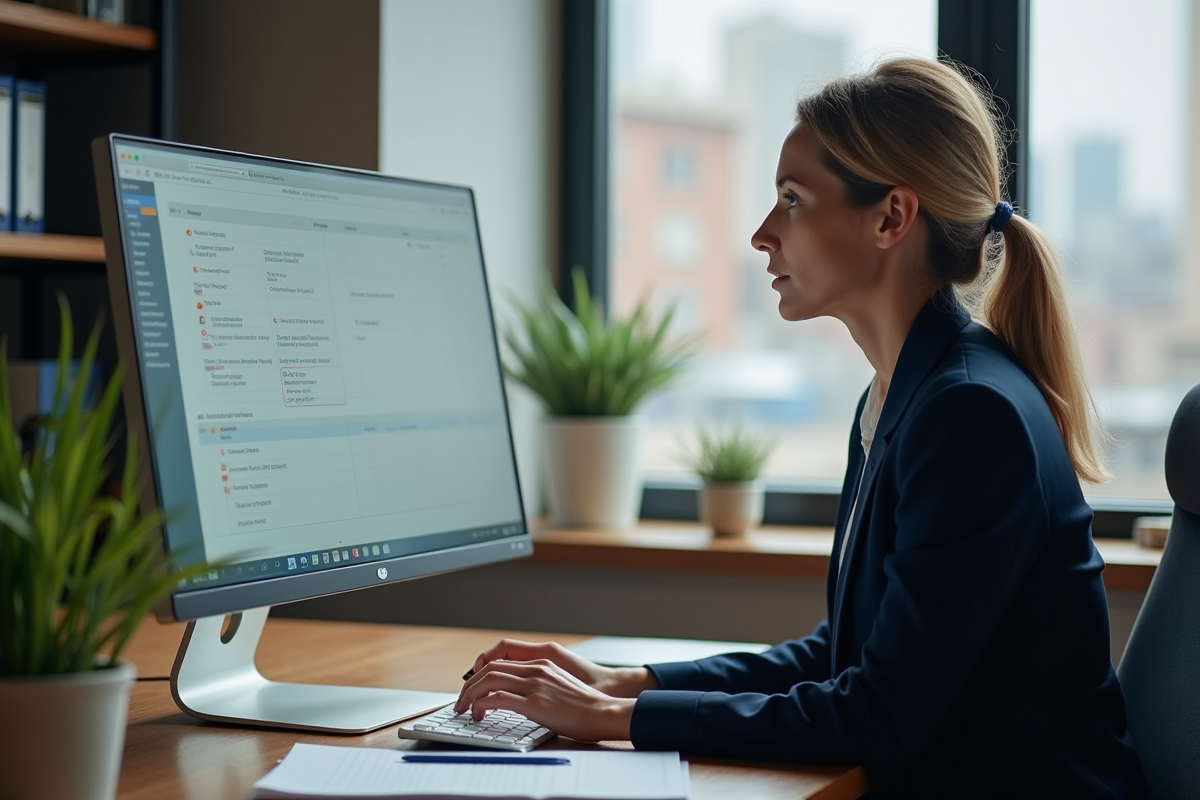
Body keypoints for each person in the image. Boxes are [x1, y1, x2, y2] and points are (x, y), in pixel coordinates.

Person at [455, 57, 1151, 799]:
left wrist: (619, 717)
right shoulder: (900, 394)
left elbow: (879, 714)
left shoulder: (970, 414)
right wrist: (629, 682)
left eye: (792, 199)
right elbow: (850, 655)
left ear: (891, 217)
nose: (761, 234)